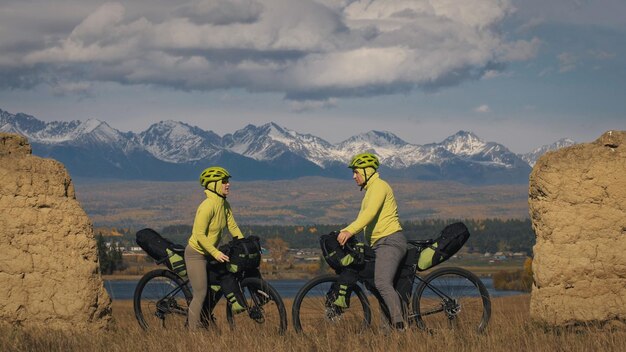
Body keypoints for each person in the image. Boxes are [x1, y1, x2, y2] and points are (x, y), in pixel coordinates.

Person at [337, 153, 408, 330]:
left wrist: (349, 231)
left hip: (390, 242)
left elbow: (369, 215)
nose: (354, 176)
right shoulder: (370, 190)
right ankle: (387, 330)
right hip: (379, 245)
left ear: (367, 171)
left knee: (382, 283)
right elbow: (362, 218)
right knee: (378, 285)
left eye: (356, 172)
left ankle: (400, 326)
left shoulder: (379, 187)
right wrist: (346, 232)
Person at [185, 166, 245, 330]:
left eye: (228, 181)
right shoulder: (207, 206)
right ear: (213, 185)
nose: (228, 185)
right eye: (224, 182)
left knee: (221, 283)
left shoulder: (224, 204)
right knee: (200, 293)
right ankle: (191, 334)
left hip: (211, 254)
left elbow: (233, 227)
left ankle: (205, 318)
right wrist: (215, 252)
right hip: (196, 254)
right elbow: (199, 235)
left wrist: (244, 245)